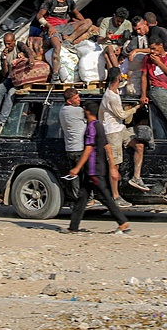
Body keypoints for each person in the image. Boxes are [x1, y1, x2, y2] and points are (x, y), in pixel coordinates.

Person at [66, 101, 130, 235]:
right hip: (94, 169)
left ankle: (122, 222)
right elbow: (107, 147)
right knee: (82, 198)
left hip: (93, 169)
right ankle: (73, 227)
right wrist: (112, 167)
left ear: (87, 112)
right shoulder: (99, 125)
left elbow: (88, 149)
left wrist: (77, 168)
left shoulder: (91, 127)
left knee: (105, 197)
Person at [99, 68, 148, 203]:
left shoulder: (115, 91)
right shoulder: (110, 96)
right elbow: (121, 115)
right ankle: (116, 196)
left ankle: (136, 178)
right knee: (115, 165)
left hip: (121, 128)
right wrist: (137, 107)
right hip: (112, 132)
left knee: (139, 146)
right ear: (119, 78)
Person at [36, 0, 93, 83]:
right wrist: (49, 26)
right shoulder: (50, 0)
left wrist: (87, 25)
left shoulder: (68, 0)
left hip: (65, 27)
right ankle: (55, 74)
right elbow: (39, 16)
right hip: (53, 28)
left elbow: (77, 14)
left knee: (88, 22)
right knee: (57, 47)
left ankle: (68, 41)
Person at [60, 88, 87, 199]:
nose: (79, 99)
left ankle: (77, 197)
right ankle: (87, 198)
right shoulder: (77, 111)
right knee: (85, 175)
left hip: (70, 148)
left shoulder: (62, 109)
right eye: (76, 98)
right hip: (79, 148)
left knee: (75, 176)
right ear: (69, 101)